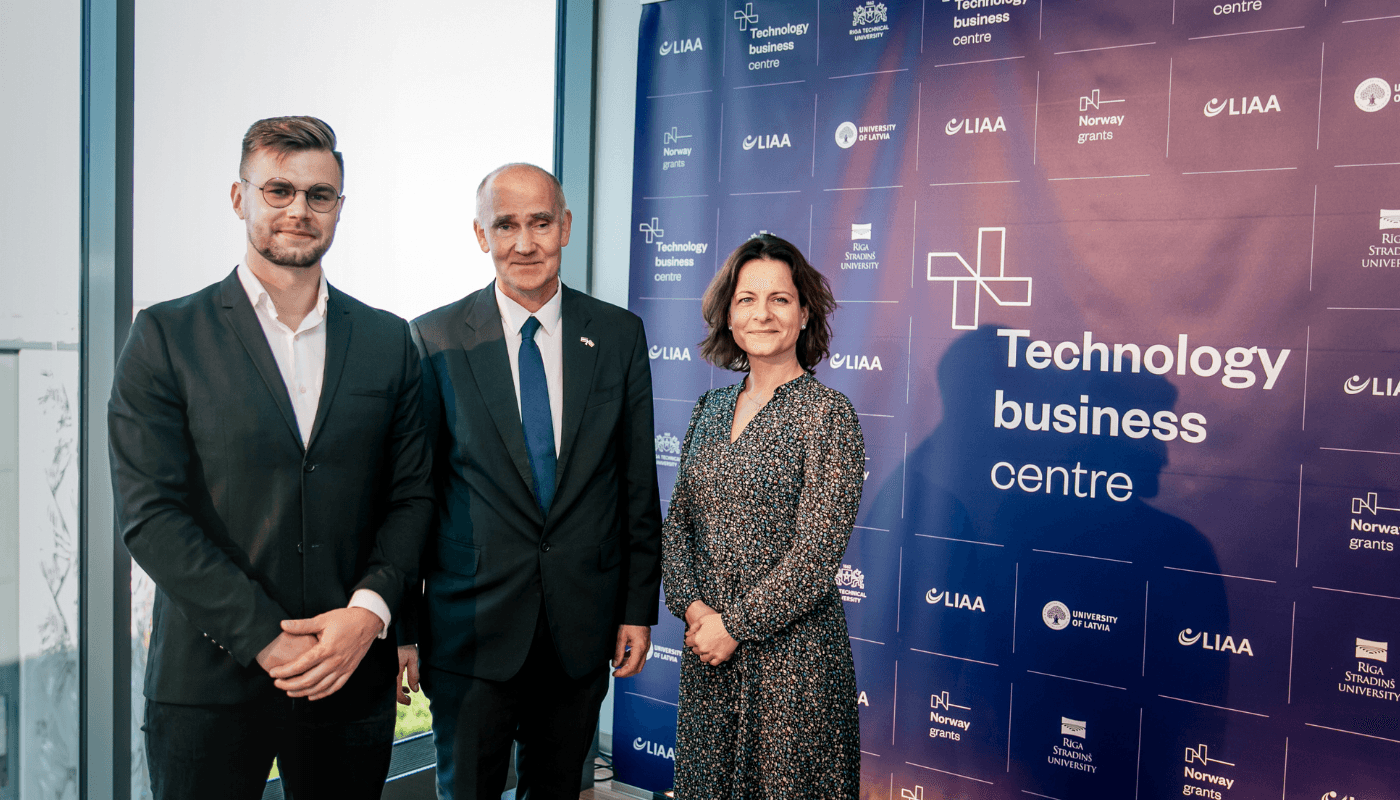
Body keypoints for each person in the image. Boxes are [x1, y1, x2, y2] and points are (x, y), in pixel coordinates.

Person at [108, 116, 434, 800]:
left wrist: (369, 613)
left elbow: (413, 497)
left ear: (339, 207)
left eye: (320, 195)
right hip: (208, 677)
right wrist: (265, 637)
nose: (298, 210)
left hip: (349, 674)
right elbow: (151, 516)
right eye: (278, 189)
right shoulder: (166, 335)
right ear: (240, 197)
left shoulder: (388, 340)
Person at [400, 163, 663, 800]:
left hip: (580, 625)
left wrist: (636, 609)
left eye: (540, 222)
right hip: (470, 630)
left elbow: (634, 483)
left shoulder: (620, 335)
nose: (524, 242)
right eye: (506, 225)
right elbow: (413, 495)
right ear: (480, 235)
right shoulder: (433, 340)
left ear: (565, 226)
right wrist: (405, 626)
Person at [662, 233, 864, 798]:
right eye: (747, 298)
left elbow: (817, 556)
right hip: (709, 653)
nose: (762, 313)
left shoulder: (828, 415)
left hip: (792, 665)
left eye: (780, 299)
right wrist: (697, 609)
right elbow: (678, 523)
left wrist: (734, 626)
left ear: (804, 314)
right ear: (728, 314)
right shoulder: (710, 407)